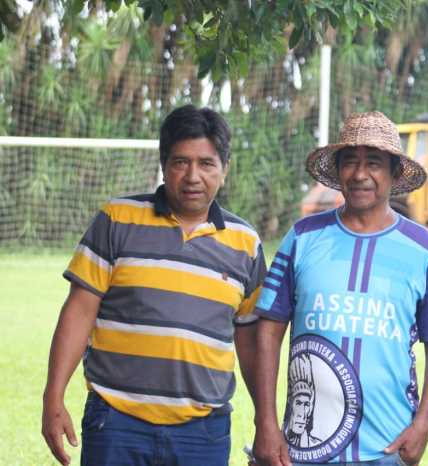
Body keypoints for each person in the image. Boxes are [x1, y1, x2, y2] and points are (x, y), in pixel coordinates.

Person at [41, 104, 266, 466]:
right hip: (116, 423)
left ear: (225, 169)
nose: (193, 176)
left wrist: (265, 420)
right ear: (164, 165)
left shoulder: (246, 243)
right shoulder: (117, 219)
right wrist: (53, 398)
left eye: (206, 164)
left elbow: (250, 341)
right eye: (181, 162)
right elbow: (79, 311)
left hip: (203, 434)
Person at [252, 111, 428, 466]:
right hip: (306, 449)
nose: (360, 174)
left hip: (388, 448)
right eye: (350, 161)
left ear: (394, 173)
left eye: (374, 163)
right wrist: (265, 421)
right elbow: (269, 330)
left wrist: (425, 422)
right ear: (338, 171)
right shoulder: (303, 237)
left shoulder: (422, 248)